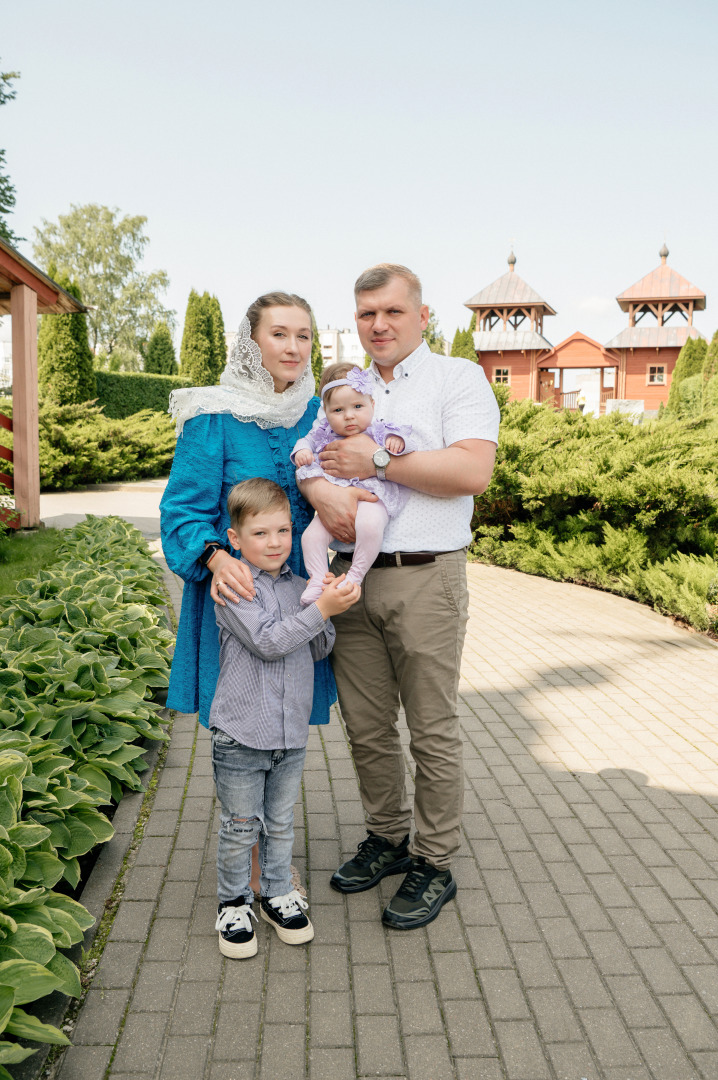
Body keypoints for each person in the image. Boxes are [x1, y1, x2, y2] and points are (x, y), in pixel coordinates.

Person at [299, 263, 500, 930]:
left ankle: (434, 861)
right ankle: (387, 839)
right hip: (350, 581)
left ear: (421, 315)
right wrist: (319, 490)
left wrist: (379, 463)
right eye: (365, 314)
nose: (378, 325)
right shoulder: (341, 388)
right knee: (367, 726)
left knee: (432, 729)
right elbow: (311, 460)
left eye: (390, 311)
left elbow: (472, 469)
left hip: (425, 578)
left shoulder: (457, 378)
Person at [160, 292, 346, 891]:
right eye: (280, 335)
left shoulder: (319, 412)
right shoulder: (212, 416)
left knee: (287, 715)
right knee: (245, 723)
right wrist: (214, 556)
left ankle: (272, 851)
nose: (294, 348)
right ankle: (247, 850)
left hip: (300, 596)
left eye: (303, 336)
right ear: (252, 342)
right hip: (234, 593)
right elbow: (181, 512)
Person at [208, 478, 359, 959]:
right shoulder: (235, 587)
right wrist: (320, 612)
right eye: (259, 533)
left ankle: (276, 892)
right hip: (241, 734)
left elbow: (315, 647)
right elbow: (269, 642)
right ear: (235, 539)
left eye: (283, 531)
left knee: (281, 822)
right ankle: (233, 903)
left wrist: (324, 605)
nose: (274, 543)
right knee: (239, 824)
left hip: (289, 733)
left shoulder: (300, 586)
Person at [291, 361, 415, 604]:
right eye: (338, 410)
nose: (349, 415)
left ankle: (354, 576)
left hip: (372, 497)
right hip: (336, 498)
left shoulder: (379, 430)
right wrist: (302, 452)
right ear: (326, 413)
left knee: (370, 527)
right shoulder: (324, 433)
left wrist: (398, 443)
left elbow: (405, 441)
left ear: (372, 405)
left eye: (358, 406)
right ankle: (317, 578)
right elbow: (305, 441)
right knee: (310, 538)